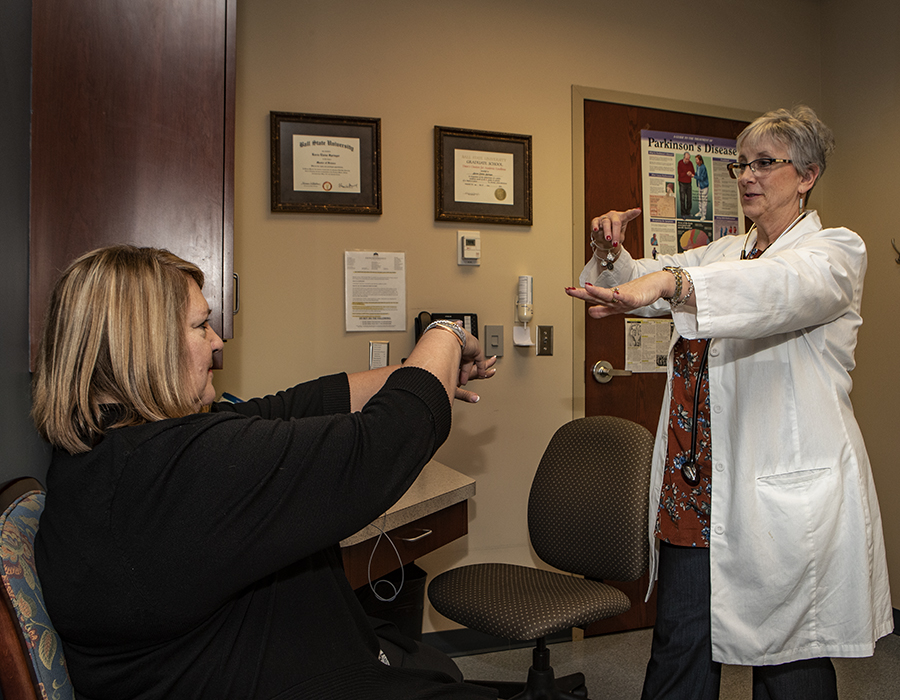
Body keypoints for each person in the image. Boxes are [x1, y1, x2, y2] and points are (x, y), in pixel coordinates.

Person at [32, 245, 499, 700]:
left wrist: (422, 371)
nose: (217, 341)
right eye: (200, 327)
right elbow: (386, 442)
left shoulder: (108, 455)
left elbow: (294, 407)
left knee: (431, 666)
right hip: (289, 677)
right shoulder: (170, 471)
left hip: (270, 658)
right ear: (144, 346)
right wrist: (445, 334)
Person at [566, 105, 891, 700]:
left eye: (765, 163)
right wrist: (610, 250)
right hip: (695, 487)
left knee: (789, 664)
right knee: (679, 646)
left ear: (808, 174)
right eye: (741, 163)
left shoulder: (835, 253)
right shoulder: (721, 254)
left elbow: (778, 290)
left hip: (784, 495)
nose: (745, 176)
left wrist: (672, 284)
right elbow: (641, 281)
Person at [677, 151, 695, 218]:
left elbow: (694, 173)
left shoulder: (690, 163)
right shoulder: (680, 163)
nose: (688, 160)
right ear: (684, 158)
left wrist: (691, 174)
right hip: (682, 183)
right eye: (687, 159)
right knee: (682, 198)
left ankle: (688, 212)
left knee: (689, 199)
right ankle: (683, 213)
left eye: (689, 159)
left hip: (689, 183)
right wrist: (686, 173)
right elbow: (680, 174)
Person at [694, 154, 709, 219]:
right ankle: (700, 212)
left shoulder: (703, 167)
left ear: (700, 160)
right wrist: (692, 173)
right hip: (700, 185)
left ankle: (704, 215)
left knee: (704, 200)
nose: (696, 161)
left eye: (697, 160)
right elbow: (697, 174)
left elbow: (702, 178)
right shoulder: (697, 166)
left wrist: (693, 176)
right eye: (695, 160)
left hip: (704, 186)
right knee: (700, 200)